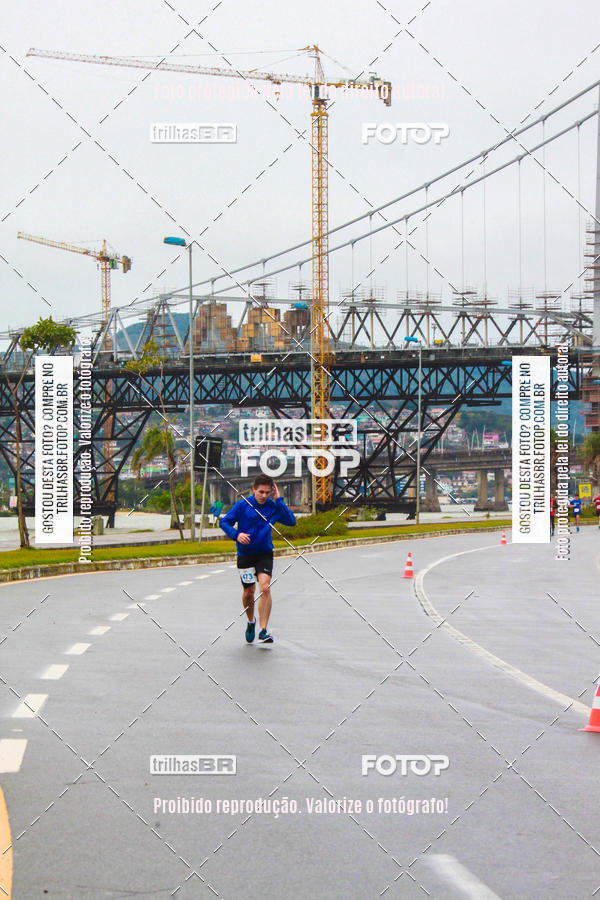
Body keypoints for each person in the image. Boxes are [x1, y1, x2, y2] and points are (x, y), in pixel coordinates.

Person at [219, 475, 296, 645]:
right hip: (245, 555)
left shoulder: (273, 506)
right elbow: (224, 522)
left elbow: (291, 521)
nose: (263, 495)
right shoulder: (241, 506)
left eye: (267, 492)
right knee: (249, 592)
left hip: (264, 553)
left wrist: (279, 499)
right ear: (253, 489)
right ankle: (251, 621)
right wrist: (236, 535)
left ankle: (263, 630)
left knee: (265, 588)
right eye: (261, 492)